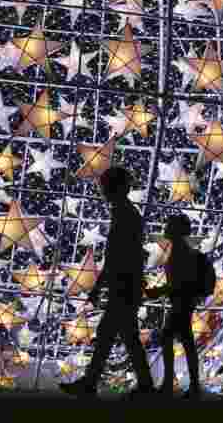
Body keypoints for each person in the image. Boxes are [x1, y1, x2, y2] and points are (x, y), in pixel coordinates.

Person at [60, 167, 155, 400]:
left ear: (116, 187)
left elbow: (117, 257)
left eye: (106, 186)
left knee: (114, 336)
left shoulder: (125, 215)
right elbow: (121, 256)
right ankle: (140, 386)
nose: (103, 191)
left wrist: (98, 287)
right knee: (118, 336)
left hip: (124, 286)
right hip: (126, 285)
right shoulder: (126, 213)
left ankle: (94, 384)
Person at [143, 213, 202, 400]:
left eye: (169, 225)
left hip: (181, 303)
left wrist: (158, 291)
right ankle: (188, 385)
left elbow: (179, 283)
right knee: (181, 341)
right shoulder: (179, 250)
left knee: (172, 339)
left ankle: (175, 385)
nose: (165, 229)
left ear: (176, 230)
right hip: (183, 302)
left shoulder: (180, 253)